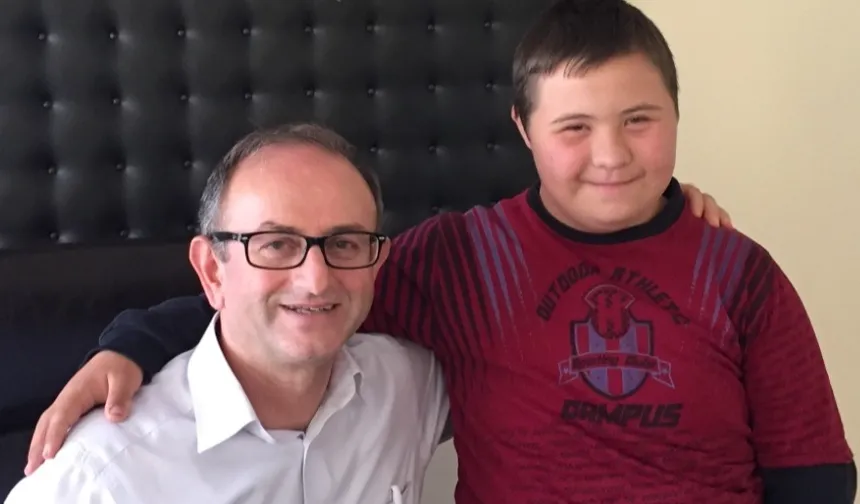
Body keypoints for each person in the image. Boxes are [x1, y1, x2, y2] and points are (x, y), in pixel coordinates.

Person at [25, 0, 858, 503]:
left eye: (640, 120)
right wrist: (136, 340)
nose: (611, 155)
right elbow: (304, 300)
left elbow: (813, 474)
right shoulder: (463, 258)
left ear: (676, 113)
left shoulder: (738, 271)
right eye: (574, 127)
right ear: (523, 130)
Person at [6, 124, 449, 503]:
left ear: (376, 263)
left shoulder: (411, 386)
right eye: (276, 245)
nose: (316, 280)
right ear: (212, 270)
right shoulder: (100, 476)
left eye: (345, 244)